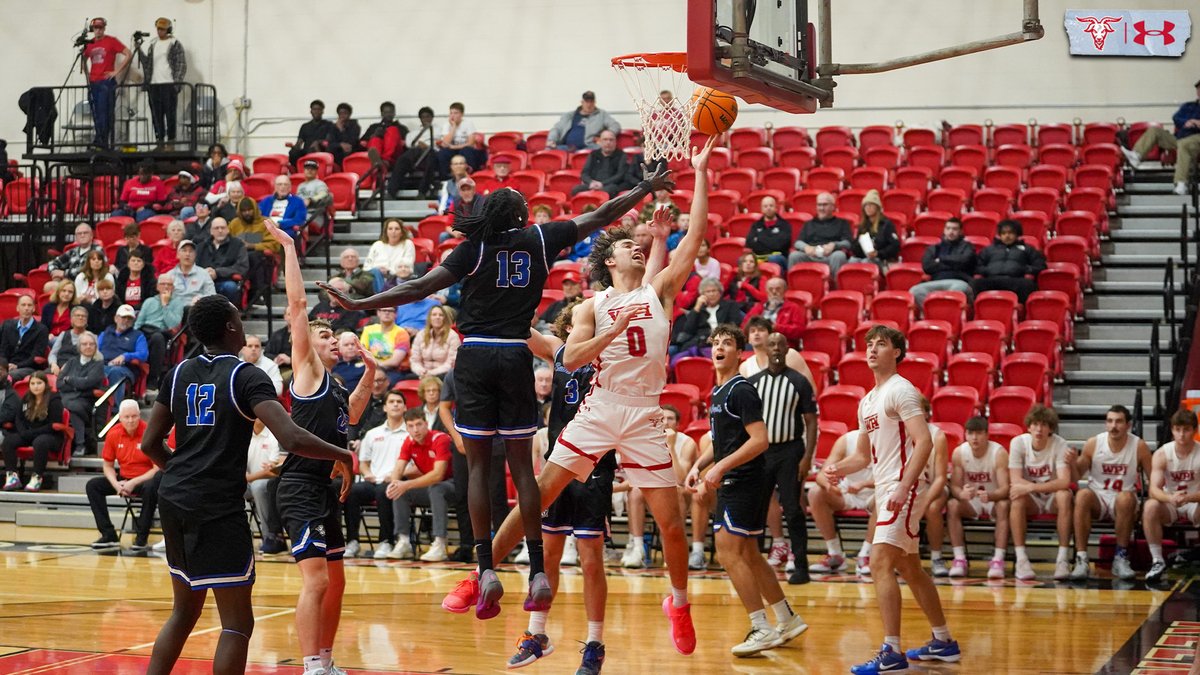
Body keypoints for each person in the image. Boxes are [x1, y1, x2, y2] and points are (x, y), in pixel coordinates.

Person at [319, 160, 678, 627]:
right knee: (524, 469)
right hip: (514, 356)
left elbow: (419, 286)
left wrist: (360, 303)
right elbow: (601, 214)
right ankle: (537, 571)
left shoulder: (473, 248)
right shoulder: (540, 238)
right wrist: (645, 187)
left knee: (477, 468)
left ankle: (486, 566)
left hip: (474, 356)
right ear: (521, 216)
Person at [139, 294, 357, 675]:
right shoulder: (247, 375)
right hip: (217, 504)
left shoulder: (177, 373)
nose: (243, 324)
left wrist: (181, 475)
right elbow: (291, 437)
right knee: (237, 624)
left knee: (184, 611)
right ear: (230, 327)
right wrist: (343, 454)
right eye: (239, 318)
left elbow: (149, 444)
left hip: (173, 498)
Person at [264, 218, 379, 675]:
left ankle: (327, 662)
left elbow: (352, 415)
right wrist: (290, 248)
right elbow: (296, 305)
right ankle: (311, 666)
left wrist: (370, 375)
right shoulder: (308, 371)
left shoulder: (333, 385)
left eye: (335, 335)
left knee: (336, 582)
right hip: (299, 486)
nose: (333, 339)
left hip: (325, 488)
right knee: (315, 582)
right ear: (307, 345)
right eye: (325, 335)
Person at [822, 325, 960, 673]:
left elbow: (924, 442)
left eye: (880, 344)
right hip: (886, 487)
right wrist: (836, 468)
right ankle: (943, 641)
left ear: (896, 352)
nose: (871, 349)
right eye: (869, 344)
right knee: (909, 567)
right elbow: (862, 457)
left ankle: (892, 651)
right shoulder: (867, 400)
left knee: (880, 562)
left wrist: (903, 486)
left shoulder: (902, 390)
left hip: (903, 487)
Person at [685, 324, 808, 657]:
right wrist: (699, 465)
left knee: (728, 552)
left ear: (740, 353)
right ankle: (786, 618)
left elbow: (760, 440)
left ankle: (760, 626)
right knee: (750, 555)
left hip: (744, 480)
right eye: (716, 343)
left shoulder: (741, 389)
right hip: (738, 478)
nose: (719, 347)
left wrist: (720, 469)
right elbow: (721, 442)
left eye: (727, 343)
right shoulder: (719, 392)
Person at [514, 297, 612, 671]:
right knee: (547, 553)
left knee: (590, 560)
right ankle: (537, 634)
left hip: (595, 465)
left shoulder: (607, 355)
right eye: (579, 323)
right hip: (558, 463)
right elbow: (523, 332)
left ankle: (595, 643)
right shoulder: (558, 353)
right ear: (568, 329)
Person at [747, 331, 818, 585]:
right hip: (762, 453)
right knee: (757, 509)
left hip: (790, 452)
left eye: (780, 345)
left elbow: (811, 421)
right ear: (765, 349)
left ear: (787, 349)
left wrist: (807, 457)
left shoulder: (799, 382)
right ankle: (754, 565)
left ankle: (801, 567)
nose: (776, 349)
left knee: (793, 510)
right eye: (772, 345)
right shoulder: (753, 383)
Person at [1069, 404, 1152, 581]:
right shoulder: (1093, 443)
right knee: (1082, 495)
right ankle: (1081, 558)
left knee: (1125, 498)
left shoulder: (1139, 446)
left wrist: (1151, 503)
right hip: (1098, 498)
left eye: (1119, 421)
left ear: (1128, 425)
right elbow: (1076, 477)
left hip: (1123, 500)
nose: (1113, 426)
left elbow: (1153, 478)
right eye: (1110, 421)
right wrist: (1071, 463)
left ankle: (1120, 557)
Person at [1008, 403, 1076, 581]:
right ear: (1029, 427)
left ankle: (1062, 559)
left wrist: (1031, 487)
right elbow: (1015, 480)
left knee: (1064, 495)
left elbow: (1064, 482)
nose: (1039, 429)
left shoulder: (1060, 444)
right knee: (1017, 499)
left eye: (1044, 425)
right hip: (1032, 499)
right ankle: (1021, 559)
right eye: (1036, 424)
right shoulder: (1018, 443)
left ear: (1050, 429)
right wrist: (1029, 489)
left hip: (1051, 497)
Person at [86, 400, 160, 549]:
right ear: (120, 418)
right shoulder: (114, 433)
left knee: (151, 487)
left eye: (134, 416)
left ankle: (141, 538)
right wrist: (116, 484)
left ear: (139, 415)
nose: (130, 420)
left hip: (145, 479)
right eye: (127, 417)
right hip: (124, 478)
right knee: (93, 486)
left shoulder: (149, 432)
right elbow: (107, 466)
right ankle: (108, 535)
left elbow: (157, 468)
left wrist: (134, 482)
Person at [344, 390, 408, 560]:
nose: (395, 405)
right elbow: (363, 462)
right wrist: (367, 474)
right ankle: (352, 541)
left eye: (399, 402)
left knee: (383, 491)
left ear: (405, 407)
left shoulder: (410, 433)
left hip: (398, 481)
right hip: (374, 480)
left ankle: (386, 541)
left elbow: (415, 464)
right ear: (384, 407)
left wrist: (395, 475)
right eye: (391, 402)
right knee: (352, 491)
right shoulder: (373, 434)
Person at [387, 407, 455, 562]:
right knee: (399, 490)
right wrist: (395, 483)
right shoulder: (409, 442)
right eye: (411, 426)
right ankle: (403, 541)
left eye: (419, 424)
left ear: (426, 424)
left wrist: (406, 484)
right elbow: (398, 468)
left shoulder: (440, 439)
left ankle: (440, 543)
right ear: (406, 428)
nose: (415, 430)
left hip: (454, 486)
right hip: (431, 488)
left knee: (436, 488)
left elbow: (438, 475)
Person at [946, 416, 1010, 579]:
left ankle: (998, 559)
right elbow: (954, 487)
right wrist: (961, 494)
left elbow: (1005, 489)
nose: (974, 438)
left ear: (987, 435)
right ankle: (959, 559)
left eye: (979, 433)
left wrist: (991, 495)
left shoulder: (999, 453)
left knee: (1004, 505)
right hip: (971, 502)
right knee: (952, 505)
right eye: (970, 433)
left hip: (993, 499)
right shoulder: (959, 452)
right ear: (965, 435)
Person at [807, 429, 876, 576]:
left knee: (885, 498)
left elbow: (896, 477)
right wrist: (829, 486)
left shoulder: (892, 438)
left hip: (877, 492)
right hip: (849, 492)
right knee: (815, 493)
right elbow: (822, 475)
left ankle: (866, 555)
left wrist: (864, 484)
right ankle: (835, 554)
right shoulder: (847, 440)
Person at [1143, 408, 1200, 583]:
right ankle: (1157, 560)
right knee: (1150, 505)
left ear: (1195, 430)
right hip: (1171, 502)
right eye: (1177, 429)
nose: (1181, 434)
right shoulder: (1162, 454)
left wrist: (1188, 498)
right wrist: (1171, 498)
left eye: (1186, 429)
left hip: (1195, 500)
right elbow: (1153, 490)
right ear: (1172, 430)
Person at [1122, 78, 1200, 195]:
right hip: (1180, 138)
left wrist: (1198, 123)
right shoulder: (1188, 106)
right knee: (1154, 131)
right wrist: (1187, 121)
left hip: (1197, 138)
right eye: (1198, 89)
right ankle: (1137, 155)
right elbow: (1176, 117)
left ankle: (1181, 182)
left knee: (1184, 144)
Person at [0, 371, 63, 493]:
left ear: (45, 384)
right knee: (9, 441)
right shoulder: (26, 398)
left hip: (51, 435)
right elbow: (19, 418)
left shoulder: (54, 399)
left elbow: (53, 425)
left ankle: (37, 477)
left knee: (40, 442)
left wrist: (30, 433)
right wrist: (23, 432)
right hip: (29, 434)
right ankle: (12, 476)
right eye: (32, 383)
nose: (36, 386)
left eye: (39, 383)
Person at [81, 18, 131, 148]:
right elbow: (84, 58)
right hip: (93, 82)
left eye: (100, 28)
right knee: (96, 112)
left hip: (106, 82)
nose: (98, 30)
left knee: (104, 112)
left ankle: (102, 140)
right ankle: (99, 138)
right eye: (96, 28)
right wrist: (87, 73)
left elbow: (128, 53)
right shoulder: (90, 44)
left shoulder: (111, 41)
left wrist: (116, 71)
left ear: (104, 28)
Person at [972, 219, 1046, 303]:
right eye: (1003, 233)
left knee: (1027, 284)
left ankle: (1021, 309)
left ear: (1017, 234)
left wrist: (1025, 269)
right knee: (976, 283)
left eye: (1010, 233)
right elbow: (977, 266)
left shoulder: (1027, 249)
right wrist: (988, 270)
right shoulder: (989, 249)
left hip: (1015, 279)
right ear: (1000, 235)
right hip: (992, 279)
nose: (1007, 236)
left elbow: (1040, 265)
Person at [139, 17, 186, 148]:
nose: (160, 31)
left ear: (168, 30)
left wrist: (176, 84)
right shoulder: (153, 44)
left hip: (169, 84)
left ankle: (171, 142)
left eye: (163, 29)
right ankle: (159, 142)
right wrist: (139, 50)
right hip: (154, 84)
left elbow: (181, 64)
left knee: (170, 115)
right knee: (156, 115)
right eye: (158, 29)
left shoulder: (174, 43)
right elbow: (148, 64)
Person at [910, 217, 976, 307]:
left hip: (958, 281)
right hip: (936, 281)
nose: (951, 232)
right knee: (915, 291)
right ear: (944, 230)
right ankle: (932, 313)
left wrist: (941, 260)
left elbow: (964, 261)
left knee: (958, 289)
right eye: (948, 228)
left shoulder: (967, 247)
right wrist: (953, 264)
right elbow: (927, 267)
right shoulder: (934, 248)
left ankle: (948, 313)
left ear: (960, 232)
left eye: (954, 229)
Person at [134, 276, 185, 392]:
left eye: (169, 284)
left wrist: (165, 305)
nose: (166, 286)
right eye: (163, 284)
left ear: (173, 288)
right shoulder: (149, 301)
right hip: (146, 330)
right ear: (157, 287)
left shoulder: (177, 303)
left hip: (163, 333)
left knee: (158, 338)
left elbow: (173, 324)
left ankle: (152, 380)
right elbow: (138, 323)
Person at [669, 277, 742, 360]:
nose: (711, 294)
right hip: (700, 342)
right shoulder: (698, 309)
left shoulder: (730, 305)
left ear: (720, 292)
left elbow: (734, 324)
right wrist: (696, 308)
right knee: (677, 358)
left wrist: (716, 336)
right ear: (702, 295)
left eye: (714, 291)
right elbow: (688, 330)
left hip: (723, 341)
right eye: (708, 292)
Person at [58, 331, 104, 457]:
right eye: (84, 344)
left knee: (72, 407)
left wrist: (70, 380)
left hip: (87, 401)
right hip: (68, 398)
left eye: (91, 344)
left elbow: (89, 382)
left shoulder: (98, 364)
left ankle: (80, 444)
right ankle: (78, 444)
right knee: (66, 405)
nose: (88, 347)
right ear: (79, 347)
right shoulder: (72, 361)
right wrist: (78, 384)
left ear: (95, 346)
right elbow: (59, 383)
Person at [787, 192, 853, 275]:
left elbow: (848, 243)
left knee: (839, 255)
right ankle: (795, 283)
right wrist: (806, 247)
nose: (821, 208)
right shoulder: (809, 224)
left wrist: (834, 245)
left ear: (833, 206)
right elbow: (798, 242)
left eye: (825, 205)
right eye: (819, 205)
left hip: (831, 255)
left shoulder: (842, 223)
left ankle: (836, 283)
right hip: (811, 255)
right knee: (794, 256)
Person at [245, 419, 286, 554]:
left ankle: (270, 537)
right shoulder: (243, 436)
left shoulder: (274, 435)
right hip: (247, 482)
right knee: (227, 487)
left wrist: (249, 478)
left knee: (258, 487)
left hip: (269, 482)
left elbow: (273, 471)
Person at [227, 198, 277, 307]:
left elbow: (275, 244)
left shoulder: (266, 223)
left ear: (255, 209)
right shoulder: (235, 224)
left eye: (249, 210)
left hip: (260, 257)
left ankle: (259, 294)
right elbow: (228, 241)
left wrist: (252, 246)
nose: (247, 213)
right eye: (244, 211)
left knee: (253, 257)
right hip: (238, 256)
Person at [98, 304, 148, 407]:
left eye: (129, 318)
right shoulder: (105, 333)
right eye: (123, 317)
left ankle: (115, 408)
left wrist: (125, 356)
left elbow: (143, 354)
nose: (126, 320)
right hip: (103, 365)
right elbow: (96, 351)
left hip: (125, 368)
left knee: (115, 372)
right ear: (116, 318)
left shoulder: (138, 335)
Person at [387, 106, 439, 199]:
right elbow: (409, 144)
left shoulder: (439, 130)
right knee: (402, 160)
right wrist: (419, 145)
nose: (426, 119)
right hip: (416, 152)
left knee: (430, 160)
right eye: (423, 117)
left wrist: (427, 146)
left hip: (431, 151)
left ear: (432, 117)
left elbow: (442, 143)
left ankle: (422, 192)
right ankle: (391, 192)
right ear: (420, 119)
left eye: (428, 116)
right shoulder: (413, 132)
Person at [196, 218, 250, 308]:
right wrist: (205, 273)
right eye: (216, 228)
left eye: (223, 228)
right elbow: (194, 266)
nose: (220, 231)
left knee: (230, 287)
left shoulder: (238, 244)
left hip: (225, 281)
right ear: (211, 231)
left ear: (228, 229)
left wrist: (217, 273)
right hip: (203, 282)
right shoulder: (201, 246)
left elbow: (242, 267)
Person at [547, 91, 621, 151]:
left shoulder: (602, 114)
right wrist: (551, 140)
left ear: (595, 102)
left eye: (591, 102)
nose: (589, 105)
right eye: (586, 102)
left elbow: (615, 125)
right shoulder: (570, 115)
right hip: (567, 147)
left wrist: (604, 137)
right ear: (582, 102)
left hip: (590, 147)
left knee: (601, 150)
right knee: (549, 149)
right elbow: (557, 128)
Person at [742, 277, 806, 346]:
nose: (774, 292)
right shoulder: (759, 307)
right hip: (758, 344)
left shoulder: (793, 308)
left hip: (782, 345)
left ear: (785, 290)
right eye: (770, 289)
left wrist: (776, 327)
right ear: (766, 291)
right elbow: (745, 325)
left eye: (778, 289)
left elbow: (799, 331)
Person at [0, 295, 49, 382]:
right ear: (17, 308)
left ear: (34, 309)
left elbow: (36, 357)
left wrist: (17, 366)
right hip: (6, 366)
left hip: (27, 367)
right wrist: (4, 365)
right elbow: (3, 350)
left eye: (29, 305)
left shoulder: (42, 330)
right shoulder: (7, 325)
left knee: (7, 376)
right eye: (23, 305)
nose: (26, 308)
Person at [847, 190, 901, 268]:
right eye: (866, 205)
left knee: (866, 262)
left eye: (871, 205)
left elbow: (895, 246)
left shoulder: (886, 224)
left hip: (881, 259)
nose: (868, 208)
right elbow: (855, 246)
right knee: (852, 261)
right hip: (865, 256)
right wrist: (859, 246)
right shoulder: (863, 225)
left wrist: (878, 253)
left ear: (877, 207)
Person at [363, 218, 415, 293]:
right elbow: (366, 267)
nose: (393, 231)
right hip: (376, 276)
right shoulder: (377, 245)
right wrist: (378, 268)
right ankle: (383, 296)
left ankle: (382, 296)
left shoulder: (407, 244)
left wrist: (389, 271)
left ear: (401, 232)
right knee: (375, 272)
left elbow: (408, 266)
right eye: (390, 229)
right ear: (386, 231)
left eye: (397, 229)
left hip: (396, 277)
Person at [572, 130, 631, 197]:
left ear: (615, 142)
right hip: (593, 184)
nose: (608, 142)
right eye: (605, 139)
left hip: (610, 185)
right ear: (600, 142)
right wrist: (590, 182)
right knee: (576, 190)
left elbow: (620, 175)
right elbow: (584, 173)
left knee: (609, 191)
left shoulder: (621, 155)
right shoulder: (593, 154)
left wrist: (602, 184)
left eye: (611, 140)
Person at [360, 307, 411, 385]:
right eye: (384, 310)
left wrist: (375, 365)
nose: (387, 313)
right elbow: (362, 353)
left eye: (390, 311)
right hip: (369, 367)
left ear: (396, 314)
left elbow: (395, 361)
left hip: (392, 370)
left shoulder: (402, 333)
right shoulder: (368, 330)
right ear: (378, 313)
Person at [47, 222, 105, 288]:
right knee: (49, 286)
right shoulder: (73, 251)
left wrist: (64, 273)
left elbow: (88, 269)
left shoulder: (97, 250)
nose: (82, 235)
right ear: (76, 237)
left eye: (85, 233)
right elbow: (52, 263)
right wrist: (55, 272)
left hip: (87, 284)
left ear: (91, 236)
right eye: (79, 234)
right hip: (70, 285)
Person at [435, 102, 486, 175]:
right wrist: (453, 127)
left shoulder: (468, 123)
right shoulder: (447, 125)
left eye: (456, 113)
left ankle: (470, 175)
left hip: (464, 149)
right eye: (451, 113)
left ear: (461, 114)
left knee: (467, 151)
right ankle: (446, 176)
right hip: (452, 150)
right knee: (443, 153)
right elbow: (445, 143)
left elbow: (471, 144)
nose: (453, 115)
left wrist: (454, 147)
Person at [409, 305, 459, 379]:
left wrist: (431, 373)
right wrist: (421, 371)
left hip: (443, 374)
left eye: (441, 315)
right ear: (429, 318)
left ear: (445, 318)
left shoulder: (453, 336)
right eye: (434, 315)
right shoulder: (421, 334)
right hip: (422, 373)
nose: (437, 317)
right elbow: (414, 360)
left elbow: (451, 363)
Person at [746, 195, 793, 268]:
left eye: (771, 205)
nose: (768, 208)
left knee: (773, 258)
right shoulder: (756, 225)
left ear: (776, 208)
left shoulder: (784, 225)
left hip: (779, 258)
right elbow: (749, 243)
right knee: (743, 260)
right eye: (765, 206)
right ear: (761, 209)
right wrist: (772, 240)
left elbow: (781, 245)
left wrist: (759, 239)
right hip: (759, 257)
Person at [166, 240, 216, 306]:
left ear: (195, 255)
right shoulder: (169, 275)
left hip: (197, 308)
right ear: (178, 254)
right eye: (184, 250)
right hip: (176, 309)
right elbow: (164, 298)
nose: (187, 254)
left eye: (191, 251)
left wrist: (201, 299)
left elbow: (212, 295)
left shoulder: (204, 274)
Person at [258, 175, 308, 240]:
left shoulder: (298, 201)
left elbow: (299, 219)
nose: (283, 187)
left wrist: (280, 224)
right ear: (275, 187)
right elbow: (258, 215)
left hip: (284, 230)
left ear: (290, 187)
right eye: (280, 184)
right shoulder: (266, 200)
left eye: (285, 184)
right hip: (265, 228)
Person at [288, 100, 334, 168]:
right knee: (293, 153)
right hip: (306, 152)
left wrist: (318, 142)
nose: (316, 111)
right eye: (314, 109)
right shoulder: (305, 126)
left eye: (319, 109)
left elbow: (328, 142)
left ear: (322, 111)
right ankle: (297, 171)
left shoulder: (329, 125)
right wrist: (294, 147)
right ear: (311, 111)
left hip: (321, 151)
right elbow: (299, 143)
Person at [359, 101, 405, 170]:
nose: (389, 114)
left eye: (391, 112)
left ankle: (385, 161)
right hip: (378, 153)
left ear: (394, 113)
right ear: (382, 113)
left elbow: (407, 143)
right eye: (386, 112)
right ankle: (377, 161)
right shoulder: (374, 127)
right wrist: (375, 135)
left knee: (392, 130)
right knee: (375, 138)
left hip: (394, 157)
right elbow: (363, 142)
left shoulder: (401, 128)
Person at [48, 305, 91, 374]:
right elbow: (53, 354)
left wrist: (70, 365)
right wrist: (53, 365)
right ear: (71, 319)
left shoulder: (91, 337)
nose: (80, 318)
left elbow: (91, 359)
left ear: (86, 320)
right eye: (77, 315)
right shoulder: (63, 334)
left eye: (83, 316)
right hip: (58, 367)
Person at [297, 160, 334, 230]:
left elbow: (323, 194)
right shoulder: (300, 186)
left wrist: (311, 200)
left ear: (316, 171)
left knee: (298, 221)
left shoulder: (320, 184)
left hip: (315, 216)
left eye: (312, 169)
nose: (310, 171)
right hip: (302, 213)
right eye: (307, 169)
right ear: (304, 170)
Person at [328, 102, 362, 167]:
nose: (342, 115)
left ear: (349, 114)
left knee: (348, 150)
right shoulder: (333, 127)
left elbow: (352, 142)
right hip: (337, 151)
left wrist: (341, 130)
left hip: (351, 150)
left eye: (345, 113)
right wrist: (340, 145)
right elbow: (331, 143)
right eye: (340, 113)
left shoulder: (355, 126)